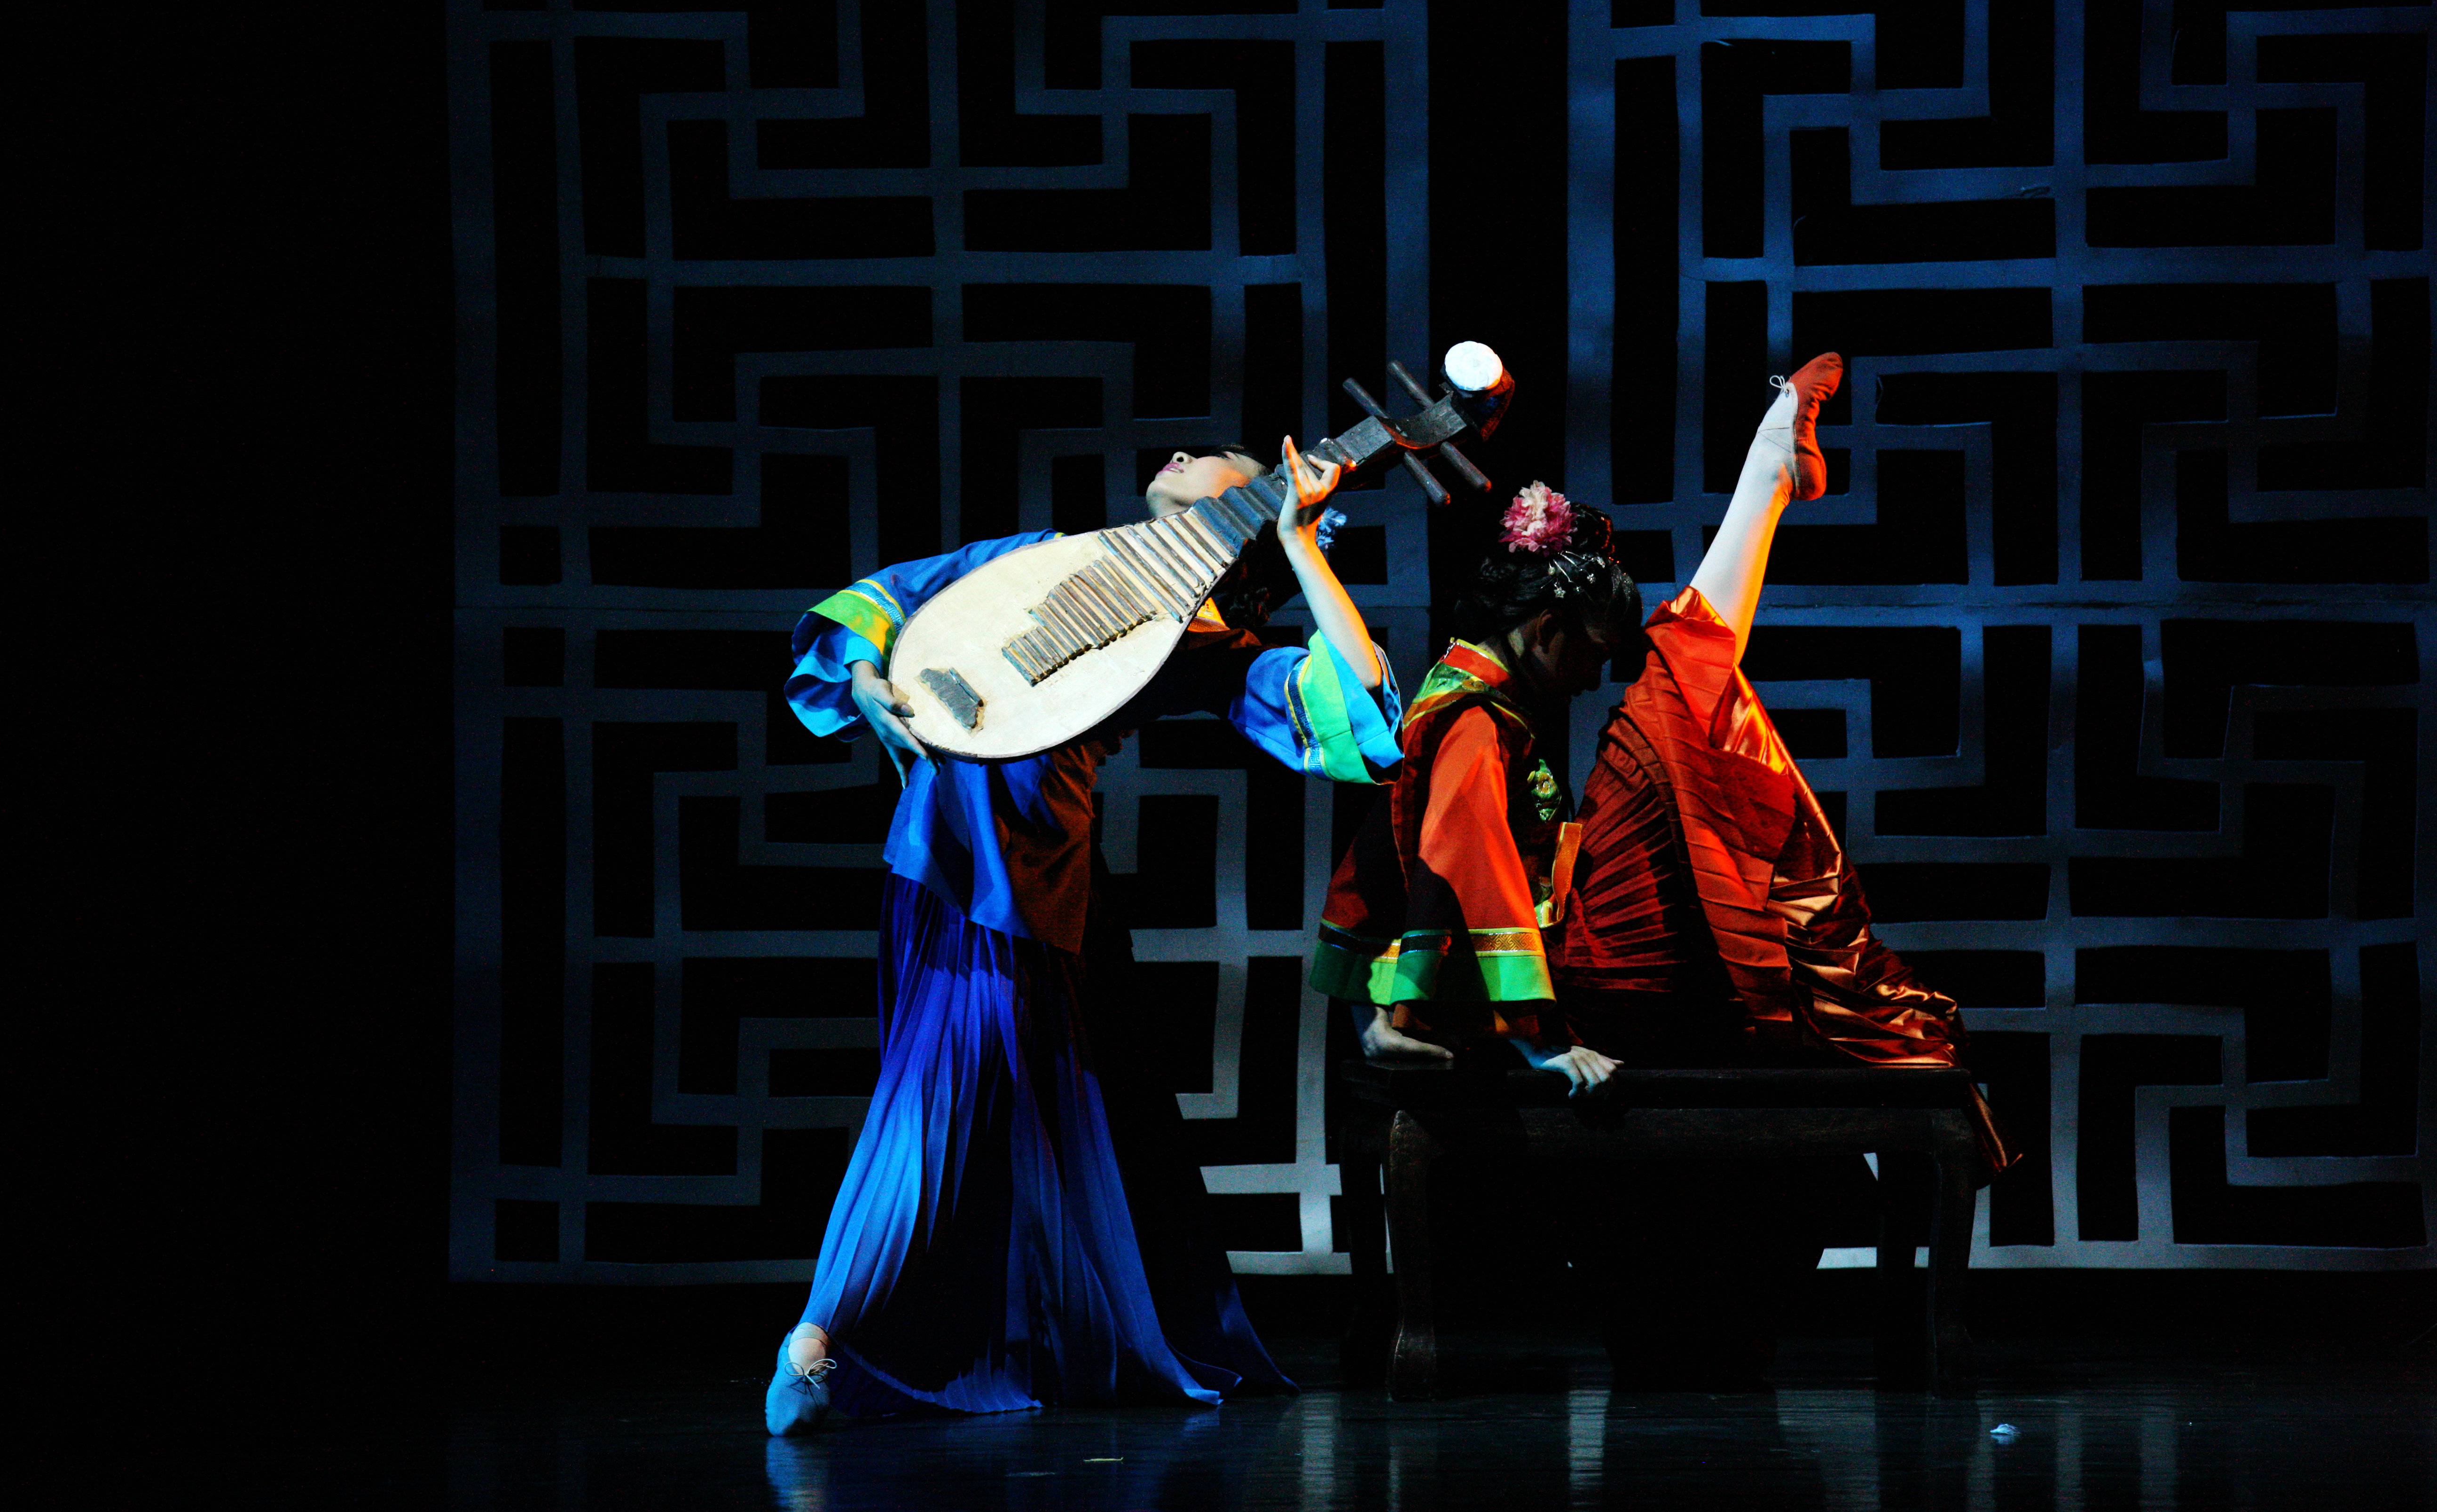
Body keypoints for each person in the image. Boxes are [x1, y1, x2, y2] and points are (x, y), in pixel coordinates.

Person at [1309, 354, 2015, 1382]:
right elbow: (1463, 866)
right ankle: (1766, 482)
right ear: (1544, 628)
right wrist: (1532, 1041)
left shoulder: (1465, 697)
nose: (1592, 676)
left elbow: (1408, 862)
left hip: (1573, 954)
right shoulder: (1470, 721)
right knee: (1671, 700)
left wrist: (1393, 997)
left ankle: (1768, 482)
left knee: (1679, 703)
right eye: (1589, 652)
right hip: (1573, 979)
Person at [767, 437, 1404, 1434]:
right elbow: (890, 599)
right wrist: (862, 677)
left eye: (1220, 457)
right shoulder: (1045, 554)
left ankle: (824, 1336)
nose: (1185, 452)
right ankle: (956, 1333)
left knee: (941, 1106)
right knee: (963, 1104)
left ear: (1250, 510)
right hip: (940, 865)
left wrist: (1301, 545)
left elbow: (1361, 714)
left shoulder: (1199, 642)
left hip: (1024, 881)